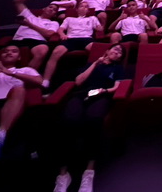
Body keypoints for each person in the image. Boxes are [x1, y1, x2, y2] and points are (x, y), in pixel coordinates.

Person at [54, 44, 125, 192]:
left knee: (94, 121)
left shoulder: (118, 68)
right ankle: (63, 175)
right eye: (115, 49)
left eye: (120, 52)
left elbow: (116, 87)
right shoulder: (91, 64)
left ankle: (89, 172)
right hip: (81, 95)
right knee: (68, 121)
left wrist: (104, 90)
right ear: (107, 51)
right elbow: (78, 82)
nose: (118, 51)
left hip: (101, 95)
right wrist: (95, 63)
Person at [42, 3, 103, 89]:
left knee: (97, 51)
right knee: (56, 52)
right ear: (77, 9)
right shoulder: (69, 19)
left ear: (88, 10)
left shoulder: (92, 18)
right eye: (82, 6)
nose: (84, 8)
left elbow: (100, 29)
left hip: (86, 39)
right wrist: (62, 34)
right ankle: (46, 80)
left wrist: (98, 25)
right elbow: (60, 29)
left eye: (86, 7)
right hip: (71, 39)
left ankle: (96, 78)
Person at [11, 0, 60, 69]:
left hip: (37, 41)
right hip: (19, 39)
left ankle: (27, 73)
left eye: (54, 10)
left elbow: (48, 34)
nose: (52, 9)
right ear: (44, 9)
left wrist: (29, 24)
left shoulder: (53, 23)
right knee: (8, 51)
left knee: (43, 49)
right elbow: (17, 2)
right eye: (50, 7)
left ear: (55, 15)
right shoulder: (29, 16)